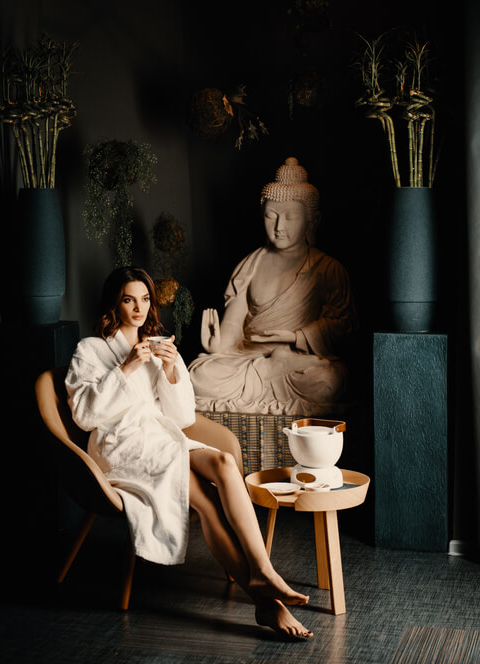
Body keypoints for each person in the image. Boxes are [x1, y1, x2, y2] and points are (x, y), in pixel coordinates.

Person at [65, 266, 313, 638]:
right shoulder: (90, 350)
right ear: (114, 304)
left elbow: (181, 418)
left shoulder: (158, 345)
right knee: (206, 502)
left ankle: (263, 569)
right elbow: (85, 416)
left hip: (161, 438)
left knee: (224, 462)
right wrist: (126, 368)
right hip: (122, 446)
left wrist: (170, 371)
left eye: (145, 299)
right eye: (129, 300)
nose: (139, 308)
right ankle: (266, 602)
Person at [189, 157, 356, 416]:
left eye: (291, 217)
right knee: (199, 375)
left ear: (312, 221)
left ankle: (274, 368)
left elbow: (342, 327)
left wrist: (295, 337)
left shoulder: (328, 269)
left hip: (299, 361)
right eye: (271, 216)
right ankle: (269, 370)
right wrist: (218, 346)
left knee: (329, 381)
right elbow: (233, 325)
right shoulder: (250, 265)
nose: (279, 227)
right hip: (247, 358)